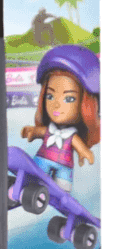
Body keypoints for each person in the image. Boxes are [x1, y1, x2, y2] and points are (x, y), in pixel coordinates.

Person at [22, 45, 100, 192]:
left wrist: (84, 152)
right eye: (50, 96)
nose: (57, 105)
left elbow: (79, 145)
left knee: (63, 185)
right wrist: (32, 131)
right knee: (37, 172)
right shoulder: (49, 129)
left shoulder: (72, 136)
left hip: (64, 164)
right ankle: (35, 182)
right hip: (43, 158)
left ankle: (61, 192)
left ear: (87, 104)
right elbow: (40, 131)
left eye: (69, 99)